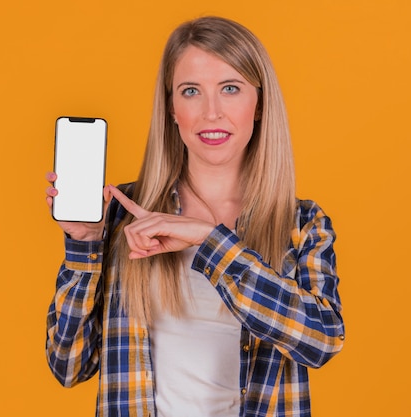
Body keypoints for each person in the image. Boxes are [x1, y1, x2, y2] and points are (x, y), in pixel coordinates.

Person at [45, 16, 344, 417]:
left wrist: (211, 240)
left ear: (259, 105)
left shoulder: (302, 224)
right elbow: (69, 366)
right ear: (171, 107)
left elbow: (321, 340)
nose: (211, 113)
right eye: (191, 91)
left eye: (231, 89)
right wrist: (84, 247)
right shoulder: (122, 214)